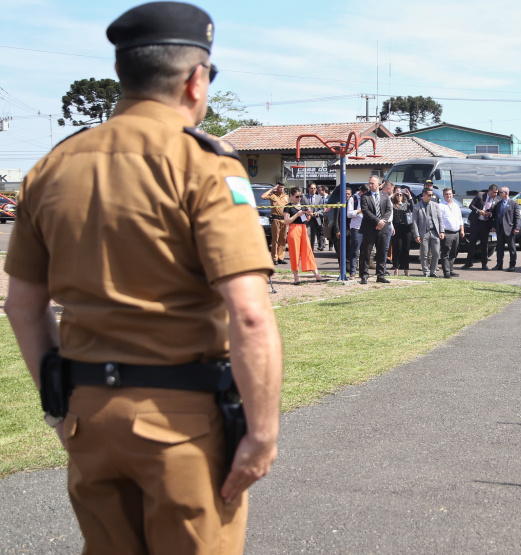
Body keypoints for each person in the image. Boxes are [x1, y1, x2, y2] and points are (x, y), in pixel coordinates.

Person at [3, 3, 282, 552]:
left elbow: (22, 306)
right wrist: (262, 432)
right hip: (182, 424)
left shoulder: (53, 167)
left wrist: (61, 408)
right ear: (196, 80)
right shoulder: (205, 164)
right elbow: (249, 312)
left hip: (88, 418)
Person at [284, 188, 328, 284]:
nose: (299, 198)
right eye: (297, 196)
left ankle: (317, 274)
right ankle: (296, 278)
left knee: (308, 251)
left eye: (300, 196)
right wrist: (297, 214)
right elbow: (286, 221)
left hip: (303, 228)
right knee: (295, 253)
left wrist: (308, 214)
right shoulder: (288, 207)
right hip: (294, 229)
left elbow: (306, 219)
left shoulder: (302, 206)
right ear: (291, 196)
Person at [359, 175, 393, 284]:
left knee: (382, 252)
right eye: (369, 183)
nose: (370, 185)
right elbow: (365, 211)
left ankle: (380, 275)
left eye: (372, 183)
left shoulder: (385, 196)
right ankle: (364, 275)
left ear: (378, 184)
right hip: (369, 228)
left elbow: (389, 210)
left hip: (382, 228)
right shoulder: (365, 197)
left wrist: (382, 222)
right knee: (366, 252)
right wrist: (377, 221)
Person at [463, 184, 498, 270]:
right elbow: (471, 206)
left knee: (484, 244)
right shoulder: (480, 195)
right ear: (489, 191)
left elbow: (495, 214)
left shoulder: (496, 201)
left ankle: (484, 264)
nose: (496, 194)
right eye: (494, 192)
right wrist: (478, 211)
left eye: (497, 192)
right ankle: (469, 262)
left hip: (485, 224)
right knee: (472, 243)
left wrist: (491, 214)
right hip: (476, 222)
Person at [412, 187, 444, 277]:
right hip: (424, 232)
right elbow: (414, 222)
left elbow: (440, 219)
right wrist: (416, 235)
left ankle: (433, 271)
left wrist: (442, 231)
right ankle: (426, 272)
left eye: (432, 195)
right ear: (424, 195)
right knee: (424, 254)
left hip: (434, 232)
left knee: (436, 253)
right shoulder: (417, 206)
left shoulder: (435, 205)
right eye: (429, 195)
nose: (431, 197)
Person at [491, 186, 521, 271]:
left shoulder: (513, 203)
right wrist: (494, 226)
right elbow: (495, 217)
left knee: (512, 248)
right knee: (499, 248)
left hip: (510, 230)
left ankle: (512, 265)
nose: (499, 194)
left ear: (506, 193)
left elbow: (517, 217)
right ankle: (499, 265)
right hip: (500, 229)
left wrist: (517, 227)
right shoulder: (498, 204)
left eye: (501, 192)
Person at [439, 187, 465, 278]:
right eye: (446, 194)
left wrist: (462, 230)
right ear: (443, 195)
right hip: (447, 233)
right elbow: (439, 221)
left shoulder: (456, 205)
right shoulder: (440, 206)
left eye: (450, 194)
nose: (448, 196)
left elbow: (460, 219)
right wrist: (441, 231)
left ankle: (450, 269)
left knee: (454, 252)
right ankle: (446, 272)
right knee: (445, 253)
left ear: (452, 194)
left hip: (456, 233)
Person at [261, 181, 289, 265]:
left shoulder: (286, 196)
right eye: (280, 187)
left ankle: (281, 257)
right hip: (276, 220)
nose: (281, 189)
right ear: (277, 188)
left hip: (284, 220)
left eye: (283, 187)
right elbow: (263, 196)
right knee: (275, 239)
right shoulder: (273, 195)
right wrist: (272, 189)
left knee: (283, 239)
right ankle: (275, 258)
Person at [391, 189, 413, 276]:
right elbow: (387, 203)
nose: (399, 196)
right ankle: (396, 268)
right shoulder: (393, 205)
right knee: (397, 249)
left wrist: (410, 196)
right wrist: (393, 194)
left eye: (401, 195)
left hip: (407, 227)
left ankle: (406, 269)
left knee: (406, 249)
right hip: (397, 227)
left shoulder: (406, 205)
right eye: (397, 195)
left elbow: (413, 207)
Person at [347, 185, 365, 279]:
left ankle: (363, 272)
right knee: (355, 251)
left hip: (366, 228)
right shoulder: (353, 199)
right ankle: (353, 272)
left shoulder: (368, 198)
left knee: (365, 251)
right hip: (356, 228)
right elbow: (349, 214)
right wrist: (359, 211)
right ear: (361, 192)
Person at [303, 182, 325, 251]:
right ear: (308, 189)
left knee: (313, 236)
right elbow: (301, 207)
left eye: (314, 188)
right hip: (307, 219)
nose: (313, 190)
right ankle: (306, 249)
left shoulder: (319, 198)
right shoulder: (304, 197)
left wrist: (317, 213)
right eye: (311, 188)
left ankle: (311, 250)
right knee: (307, 234)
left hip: (315, 219)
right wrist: (307, 212)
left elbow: (322, 209)